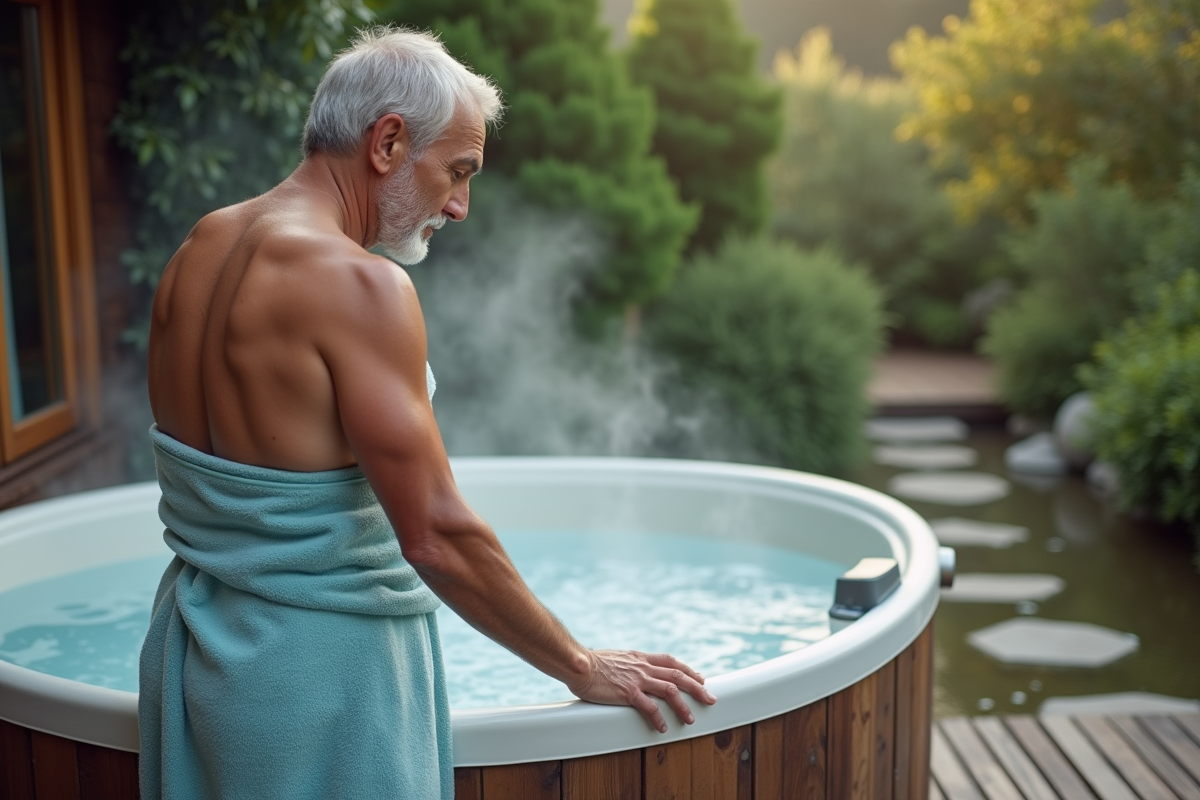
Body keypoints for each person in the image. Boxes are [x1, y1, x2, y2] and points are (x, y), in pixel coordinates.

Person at [138, 25, 715, 800]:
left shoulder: (197, 252)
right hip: (321, 680)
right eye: (458, 170)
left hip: (199, 660)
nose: (461, 205)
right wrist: (579, 664)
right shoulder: (361, 286)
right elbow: (437, 536)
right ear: (386, 143)